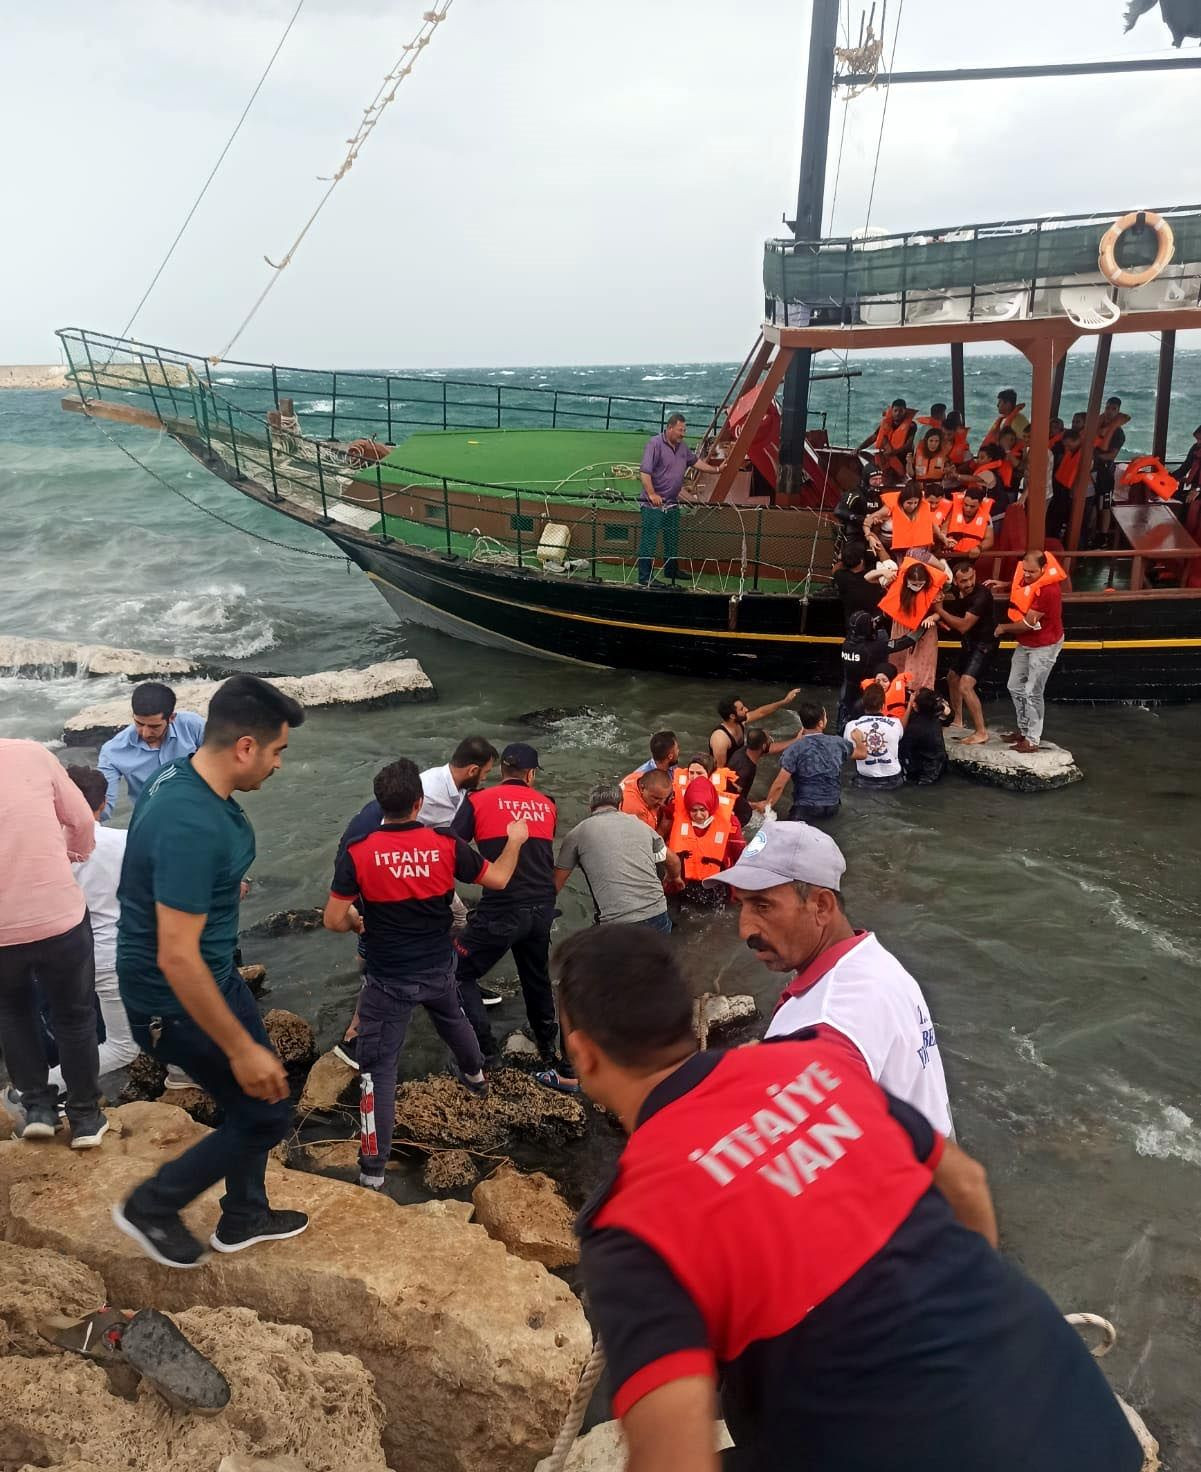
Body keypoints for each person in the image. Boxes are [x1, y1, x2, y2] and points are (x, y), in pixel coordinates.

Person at [565, 924, 1138, 1472]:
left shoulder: (635, 1219)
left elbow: (675, 1458)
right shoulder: (813, 1061)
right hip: (1079, 1417)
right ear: (690, 1020)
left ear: (584, 1052)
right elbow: (967, 1185)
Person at [112, 675, 307, 1269]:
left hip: (213, 973)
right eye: (277, 751)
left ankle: (244, 1215)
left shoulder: (180, 774)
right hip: (174, 995)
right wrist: (238, 1047)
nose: (278, 765)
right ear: (245, 746)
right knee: (267, 1110)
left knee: (261, 1093)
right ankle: (151, 1205)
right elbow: (176, 954)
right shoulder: (190, 822)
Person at [323, 758, 528, 1190]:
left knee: (379, 1070)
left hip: (387, 979)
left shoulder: (359, 851)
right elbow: (500, 879)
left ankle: (373, 1170)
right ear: (419, 802)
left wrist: (356, 922)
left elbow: (332, 919)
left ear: (381, 804)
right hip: (438, 966)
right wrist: (515, 839)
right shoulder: (445, 842)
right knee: (453, 1016)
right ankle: (475, 1076)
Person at [329, 736, 503, 1069]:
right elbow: (380, 842)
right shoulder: (428, 794)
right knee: (379, 945)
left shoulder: (454, 788)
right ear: (472, 769)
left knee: (459, 919)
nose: (487, 779)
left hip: (406, 861)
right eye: (486, 773)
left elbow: (437, 839)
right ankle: (356, 1034)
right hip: (375, 867)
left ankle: (455, 978)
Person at [0, 741, 105, 1147]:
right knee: (75, 1016)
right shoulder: (32, 753)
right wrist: (74, 852)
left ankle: (39, 1109)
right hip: (58, 917)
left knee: (13, 1012)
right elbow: (80, 818)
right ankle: (85, 1118)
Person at [451, 743, 573, 1090]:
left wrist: (476, 873)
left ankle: (486, 1054)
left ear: (501, 770)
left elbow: (452, 847)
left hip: (502, 908)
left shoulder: (477, 801)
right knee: (535, 979)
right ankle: (548, 1050)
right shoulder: (547, 805)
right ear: (531, 774)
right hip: (542, 908)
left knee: (458, 972)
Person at [55, 766, 138, 1081]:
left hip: (74, 958)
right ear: (103, 803)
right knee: (123, 1046)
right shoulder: (125, 841)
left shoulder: (48, 852)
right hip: (121, 953)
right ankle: (32, 1091)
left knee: (72, 1030)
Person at [555, 782, 679, 932]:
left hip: (617, 923)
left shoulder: (577, 833)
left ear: (590, 807)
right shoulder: (641, 825)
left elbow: (556, 884)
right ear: (620, 805)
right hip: (658, 914)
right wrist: (674, 878)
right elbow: (672, 860)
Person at [992, 550, 1066, 754]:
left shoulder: (1049, 591)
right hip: (1026, 643)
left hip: (1045, 645)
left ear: (1044, 569)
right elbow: (1021, 585)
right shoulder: (1026, 576)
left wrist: (1003, 628)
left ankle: (1033, 740)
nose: (1026, 575)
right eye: (1024, 570)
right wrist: (1005, 584)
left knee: (1033, 691)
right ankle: (1023, 730)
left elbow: (1027, 623)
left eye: (1032, 572)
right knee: (1014, 686)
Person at [97, 683, 206, 821]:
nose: (146, 733)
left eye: (154, 726)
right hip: (153, 821)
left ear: (171, 718)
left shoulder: (193, 726)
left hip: (200, 810)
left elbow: (222, 761)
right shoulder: (112, 752)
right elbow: (102, 806)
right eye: (139, 724)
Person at [636, 413, 721, 587]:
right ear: (669, 428)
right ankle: (645, 577)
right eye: (680, 430)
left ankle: (671, 569)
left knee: (672, 538)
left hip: (672, 503)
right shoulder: (654, 444)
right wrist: (652, 494)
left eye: (684, 430)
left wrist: (717, 469)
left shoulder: (682, 448)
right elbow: (645, 472)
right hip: (654, 505)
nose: (683, 434)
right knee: (649, 540)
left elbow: (696, 462)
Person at [764, 703, 866, 824]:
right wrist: (859, 739)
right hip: (832, 806)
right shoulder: (838, 743)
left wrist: (766, 807)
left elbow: (779, 785)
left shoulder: (794, 749)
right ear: (821, 723)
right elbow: (862, 754)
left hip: (805, 809)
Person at [938, 559, 998, 745]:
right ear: (956, 582)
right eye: (964, 580)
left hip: (985, 644)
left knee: (965, 685)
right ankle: (958, 720)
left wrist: (938, 610)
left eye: (971, 578)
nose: (969, 583)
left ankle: (981, 732)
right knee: (952, 677)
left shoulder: (982, 596)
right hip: (970, 643)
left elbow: (964, 626)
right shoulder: (955, 590)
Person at [836, 609, 919, 731]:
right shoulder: (873, 647)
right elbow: (904, 642)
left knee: (844, 727)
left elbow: (866, 627)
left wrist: (883, 616)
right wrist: (922, 628)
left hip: (847, 692)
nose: (874, 624)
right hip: (866, 696)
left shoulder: (847, 642)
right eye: (871, 623)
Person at [667, 777, 744, 907]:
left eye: (702, 810)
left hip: (716, 882)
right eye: (694, 810)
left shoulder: (731, 822)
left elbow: (740, 853)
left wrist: (740, 886)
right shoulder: (676, 815)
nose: (698, 815)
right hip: (684, 881)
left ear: (711, 805)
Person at [709, 689, 799, 768]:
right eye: (741, 709)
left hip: (738, 765)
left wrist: (784, 701)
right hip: (726, 776)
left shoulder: (739, 722)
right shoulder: (720, 739)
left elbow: (761, 712)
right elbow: (719, 771)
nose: (746, 709)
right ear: (732, 716)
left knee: (760, 746)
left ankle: (796, 740)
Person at [844, 683, 907, 790]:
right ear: (883, 705)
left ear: (863, 703)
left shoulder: (851, 726)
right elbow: (900, 736)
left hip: (865, 781)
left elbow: (847, 752)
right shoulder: (896, 724)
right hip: (894, 780)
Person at [1093, 396, 1130, 542]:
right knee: (1094, 504)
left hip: (1105, 472)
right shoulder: (1099, 426)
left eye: (1113, 409)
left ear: (1118, 411)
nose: (1109, 411)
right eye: (1108, 408)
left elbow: (1111, 455)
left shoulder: (1118, 433)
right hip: (1092, 470)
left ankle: (1103, 535)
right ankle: (1093, 532)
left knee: (1105, 504)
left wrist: (1093, 455)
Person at [859, 398, 915, 484]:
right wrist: (859, 448)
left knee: (891, 477)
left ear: (905, 411)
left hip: (901, 458)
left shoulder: (911, 426)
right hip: (886, 457)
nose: (898, 413)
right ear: (891, 410)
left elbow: (908, 445)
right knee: (866, 462)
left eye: (901, 411)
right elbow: (874, 437)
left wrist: (894, 452)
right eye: (895, 410)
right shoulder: (886, 423)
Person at [899, 688, 948, 784]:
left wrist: (909, 705)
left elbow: (903, 749)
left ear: (916, 707)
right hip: (940, 764)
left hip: (925, 774)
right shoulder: (935, 718)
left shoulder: (915, 728)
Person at [725, 727, 771, 827]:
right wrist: (755, 805)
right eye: (769, 741)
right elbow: (731, 797)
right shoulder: (745, 770)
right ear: (763, 746)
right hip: (733, 815)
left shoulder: (744, 750)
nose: (770, 742)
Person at [830, 541, 883, 626]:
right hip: (875, 621)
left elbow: (835, 569)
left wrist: (844, 558)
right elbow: (885, 559)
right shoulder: (873, 574)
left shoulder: (840, 576)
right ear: (861, 561)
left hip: (853, 623)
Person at [1048, 425, 1084, 544]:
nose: (1067, 448)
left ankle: (1060, 540)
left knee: (1064, 516)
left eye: (1069, 445)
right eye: (1065, 445)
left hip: (1068, 490)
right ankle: (1053, 537)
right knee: (1054, 515)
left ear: (1077, 441)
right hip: (1060, 486)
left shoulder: (1085, 453)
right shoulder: (1072, 451)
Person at [942, 483, 995, 559]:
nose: (968, 509)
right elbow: (944, 529)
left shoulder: (986, 516)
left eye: (972, 506)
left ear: (980, 504)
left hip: (971, 556)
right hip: (950, 553)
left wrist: (979, 548)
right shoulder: (953, 510)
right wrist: (945, 540)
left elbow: (990, 540)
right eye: (966, 504)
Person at [621, 767, 674, 837]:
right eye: (656, 798)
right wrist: (662, 830)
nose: (661, 803)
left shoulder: (638, 777)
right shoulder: (636, 809)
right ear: (642, 788)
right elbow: (646, 843)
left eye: (664, 798)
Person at [978, 387, 1029, 456]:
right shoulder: (1006, 419)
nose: (997, 405)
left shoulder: (1018, 421)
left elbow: (1023, 443)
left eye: (1000, 402)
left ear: (1007, 404)